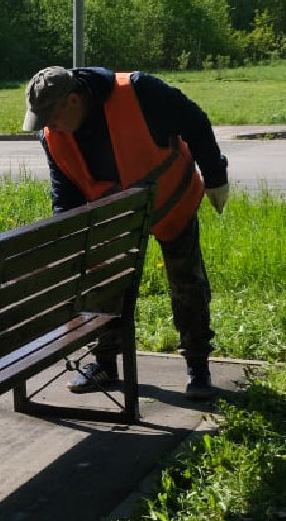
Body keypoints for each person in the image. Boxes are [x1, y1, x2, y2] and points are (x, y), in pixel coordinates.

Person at [23, 65, 229, 399]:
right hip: (115, 217)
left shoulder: (140, 92)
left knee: (187, 283)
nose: (50, 127)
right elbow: (67, 194)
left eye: (52, 117)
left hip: (171, 201)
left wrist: (215, 176)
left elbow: (194, 121)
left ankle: (197, 367)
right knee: (102, 282)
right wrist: (72, 239)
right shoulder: (53, 137)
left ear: (74, 100)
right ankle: (105, 362)